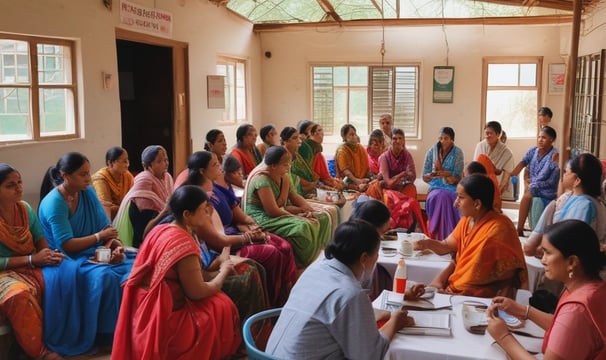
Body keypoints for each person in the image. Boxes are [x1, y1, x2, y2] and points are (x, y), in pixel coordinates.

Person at [112, 185, 241, 359]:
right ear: (187, 215)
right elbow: (197, 292)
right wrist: (224, 271)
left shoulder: (160, 230)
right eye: (204, 209)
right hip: (167, 316)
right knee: (222, 305)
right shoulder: (182, 244)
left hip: (144, 307)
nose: (209, 212)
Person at [266, 220, 416, 359]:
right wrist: (395, 321)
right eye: (376, 254)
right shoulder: (351, 293)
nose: (376, 260)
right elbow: (369, 355)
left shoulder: (315, 269)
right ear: (364, 258)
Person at [38, 152, 133, 356]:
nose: (89, 179)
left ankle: (131, 329)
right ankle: (103, 336)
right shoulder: (55, 203)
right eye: (83, 174)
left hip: (93, 251)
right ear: (65, 175)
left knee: (133, 266)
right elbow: (67, 244)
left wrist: (114, 246)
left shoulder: (87, 192)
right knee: (105, 277)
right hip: (65, 259)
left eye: (88, 173)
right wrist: (101, 237)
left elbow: (105, 226)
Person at [179, 150, 298, 306]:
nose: (220, 167)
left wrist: (251, 226)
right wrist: (248, 237)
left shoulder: (218, 189)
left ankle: (285, 294)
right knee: (272, 252)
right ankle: (273, 303)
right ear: (202, 171)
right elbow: (216, 240)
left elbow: (239, 215)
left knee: (283, 245)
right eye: (215, 164)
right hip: (226, 246)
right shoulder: (197, 199)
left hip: (236, 234)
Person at [487, 219, 606, 359]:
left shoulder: (576, 309)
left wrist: (503, 336)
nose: (543, 260)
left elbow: (570, 322)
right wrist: (522, 310)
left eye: (548, 253)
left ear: (572, 262)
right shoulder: (593, 287)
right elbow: (564, 328)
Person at [414, 174, 528, 298]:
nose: (455, 203)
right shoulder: (468, 220)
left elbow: (474, 277)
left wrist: (448, 292)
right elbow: (446, 246)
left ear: (477, 204)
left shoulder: (499, 229)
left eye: (460, 198)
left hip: (484, 297)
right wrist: (426, 243)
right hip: (458, 290)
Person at [0, 164, 65, 360]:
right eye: (10, 185)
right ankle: (40, 352)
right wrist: (31, 259)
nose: (19, 188)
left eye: (19, 182)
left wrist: (47, 254)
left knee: (65, 277)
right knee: (18, 294)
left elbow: (39, 240)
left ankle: (65, 340)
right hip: (5, 272)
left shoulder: (25, 209)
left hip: (31, 265)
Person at [243, 146, 331, 268]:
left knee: (321, 217)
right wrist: (299, 216)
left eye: (289, 164)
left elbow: (294, 196)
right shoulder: (262, 180)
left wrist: (308, 209)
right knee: (303, 226)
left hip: (280, 210)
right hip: (262, 216)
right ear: (273, 165)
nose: (289, 168)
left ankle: (319, 256)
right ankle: (303, 264)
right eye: (285, 165)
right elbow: (272, 211)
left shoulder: (282, 176)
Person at [525, 153, 606, 257]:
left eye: (566, 172)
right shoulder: (572, 197)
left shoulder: (584, 205)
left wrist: (546, 250)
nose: (563, 175)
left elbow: (570, 243)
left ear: (577, 180)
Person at [113, 145, 173, 247]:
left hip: (159, 217)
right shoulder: (145, 179)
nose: (165, 163)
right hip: (143, 222)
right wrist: (165, 212)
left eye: (166, 160)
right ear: (147, 165)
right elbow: (146, 212)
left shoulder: (167, 177)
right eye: (159, 161)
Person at [510, 126, 560, 236]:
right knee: (528, 191)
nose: (540, 140)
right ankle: (524, 224)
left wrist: (532, 184)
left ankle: (519, 228)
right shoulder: (533, 151)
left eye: (544, 138)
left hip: (547, 188)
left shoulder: (554, 155)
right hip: (533, 185)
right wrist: (512, 174)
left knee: (527, 195)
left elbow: (551, 180)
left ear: (551, 140)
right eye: (539, 137)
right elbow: (523, 163)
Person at [422, 127, 464, 240]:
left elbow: (458, 176)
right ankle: (436, 235)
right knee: (437, 196)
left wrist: (445, 173)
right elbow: (424, 175)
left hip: (451, 187)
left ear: (452, 140)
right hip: (435, 186)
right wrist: (431, 175)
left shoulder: (458, 153)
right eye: (441, 138)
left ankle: (452, 236)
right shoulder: (432, 151)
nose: (443, 141)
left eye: (446, 138)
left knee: (447, 197)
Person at [473, 121, 515, 200]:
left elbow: (505, 178)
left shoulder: (507, 152)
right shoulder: (480, 146)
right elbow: (475, 168)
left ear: (498, 134)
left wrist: (497, 193)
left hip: (497, 186)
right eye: (486, 133)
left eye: (490, 133)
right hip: (480, 183)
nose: (487, 136)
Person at [91, 146, 134, 220]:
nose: (128, 165)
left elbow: (134, 197)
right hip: (108, 218)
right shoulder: (101, 178)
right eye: (124, 161)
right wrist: (126, 210)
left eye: (127, 160)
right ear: (110, 163)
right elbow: (105, 206)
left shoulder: (127, 175)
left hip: (125, 213)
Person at [298, 123, 344, 190]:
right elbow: (300, 178)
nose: (318, 133)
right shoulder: (302, 151)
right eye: (312, 132)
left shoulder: (318, 153)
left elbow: (325, 177)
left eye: (320, 130)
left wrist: (335, 182)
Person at [335, 124, 373, 192]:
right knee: (344, 183)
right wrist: (357, 181)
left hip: (361, 179)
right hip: (347, 181)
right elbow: (345, 171)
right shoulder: (342, 150)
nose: (354, 136)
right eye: (351, 134)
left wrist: (370, 178)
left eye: (355, 134)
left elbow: (366, 168)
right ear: (344, 137)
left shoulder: (360, 148)